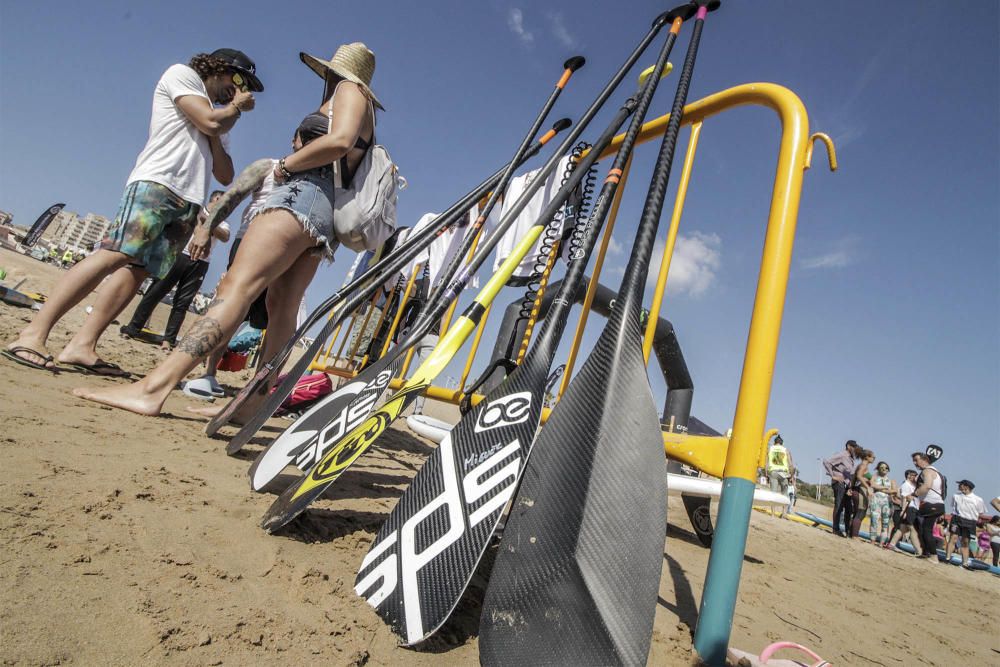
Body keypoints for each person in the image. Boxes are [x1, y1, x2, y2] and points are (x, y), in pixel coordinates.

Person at [74, 42, 380, 417]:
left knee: (236, 288)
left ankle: (153, 389)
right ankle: (251, 403)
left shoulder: (349, 91)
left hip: (301, 195)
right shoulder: (362, 107)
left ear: (336, 71)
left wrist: (285, 165)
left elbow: (338, 141)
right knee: (280, 306)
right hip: (322, 214)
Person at [3, 49, 260, 375]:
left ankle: (83, 345)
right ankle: (32, 334)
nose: (238, 89)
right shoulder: (182, 75)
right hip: (157, 184)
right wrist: (228, 112)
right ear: (218, 67)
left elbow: (224, 174)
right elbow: (208, 120)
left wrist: (221, 123)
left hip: (189, 198)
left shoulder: (221, 119)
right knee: (112, 255)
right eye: (238, 79)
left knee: (138, 270)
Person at [183, 122, 317, 400]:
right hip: (250, 243)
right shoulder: (268, 167)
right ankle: (207, 373)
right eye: (307, 139)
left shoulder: (316, 185)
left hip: (290, 253)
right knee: (233, 306)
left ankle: (256, 389)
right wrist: (205, 228)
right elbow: (232, 195)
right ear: (294, 141)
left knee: (275, 318)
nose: (311, 146)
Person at [120, 191, 230, 350]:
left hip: (200, 263)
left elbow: (225, 236)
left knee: (182, 303)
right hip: (178, 254)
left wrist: (210, 222)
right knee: (155, 292)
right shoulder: (196, 210)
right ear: (212, 200)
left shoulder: (222, 222)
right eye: (220, 200)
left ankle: (168, 340)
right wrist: (204, 217)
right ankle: (133, 328)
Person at [910, 451, 946, 560]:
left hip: (932, 504)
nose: (915, 463)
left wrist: (914, 494)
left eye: (916, 460)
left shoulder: (927, 471)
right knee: (921, 529)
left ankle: (934, 557)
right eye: (914, 461)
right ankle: (925, 553)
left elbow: (927, 486)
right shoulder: (934, 471)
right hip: (935, 504)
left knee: (926, 530)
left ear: (924, 459)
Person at [945, 480, 987, 568]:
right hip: (957, 519)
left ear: (966, 487)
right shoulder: (956, 496)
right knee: (953, 538)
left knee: (965, 542)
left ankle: (965, 563)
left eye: (961, 484)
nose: (959, 486)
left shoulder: (978, 499)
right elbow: (953, 507)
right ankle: (947, 558)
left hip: (970, 522)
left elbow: (981, 512)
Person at [823, 439, 861, 537]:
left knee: (848, 508)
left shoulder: (852, 459)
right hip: (839, 483)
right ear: (848, 446)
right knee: (839, 505)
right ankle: (835, 529)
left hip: (846, 485)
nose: (854, 449)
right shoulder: (842, 455)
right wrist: (833, 475)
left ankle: (848, 531)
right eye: (853, 447)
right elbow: (826, 461)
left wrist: (850, 486)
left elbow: (850, 474)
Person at [886, 469, 921, 554]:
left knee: (902, 529)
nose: (916, 477)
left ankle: (892, 544)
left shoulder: (913, 485)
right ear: (909, 476)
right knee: (912, 529)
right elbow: (904, 498)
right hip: (910, 508)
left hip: (913, 508)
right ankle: (919, 551)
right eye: (914, 475)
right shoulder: (906, 485)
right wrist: (904, 510)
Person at [867, 461, 895, 546]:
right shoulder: (874, 477)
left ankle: (882, 543)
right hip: (876, 501)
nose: (884, 469)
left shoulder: (891, 480)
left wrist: (880, 489)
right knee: (874, 520)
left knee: (885, 523)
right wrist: (885, 488)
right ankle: (872, 540)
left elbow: (894, 491)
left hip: (886, 502)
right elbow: (872, 485)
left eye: (886, 468)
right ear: (878, 468)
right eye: (882, 467)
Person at [850, 449, 875, 538]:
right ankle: (854, 535)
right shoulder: (863, 465)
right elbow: (858, 476)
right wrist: (868, 487)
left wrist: (851, 488)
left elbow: (854, 477)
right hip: (860, 491)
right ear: (867, 457)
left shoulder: (862, 465)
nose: (874, 458)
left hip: (857, 490)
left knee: (858, 513)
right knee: (860, 513)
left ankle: (851, 534)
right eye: (873, 457)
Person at [766, 435, 794, 514]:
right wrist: (791, 476)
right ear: (782, 443)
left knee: (773, 494)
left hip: (773, 472)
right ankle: (783, 513)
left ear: (775, 443)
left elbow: (766, 463)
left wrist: (766, 474)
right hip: (783, 473)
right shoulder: (786, 450)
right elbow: (791, 464)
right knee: (784, 494)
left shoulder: (770, 449)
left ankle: (773, 513)